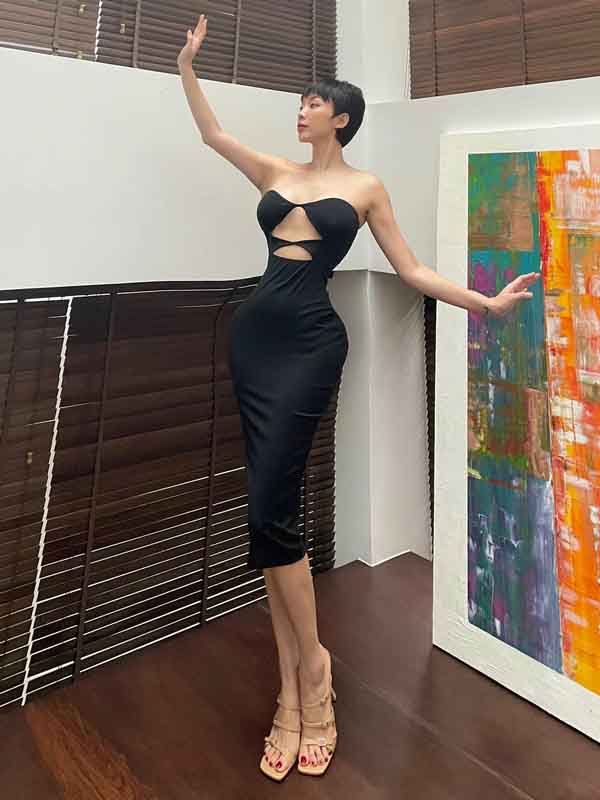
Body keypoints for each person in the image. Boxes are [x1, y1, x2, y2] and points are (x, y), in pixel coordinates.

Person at [177, 13, 540, 782]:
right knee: (268, 515)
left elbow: (410, 269)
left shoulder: (365, 187)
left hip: (312, 344)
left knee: (271, 508)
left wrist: (483, 303)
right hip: (255, 340)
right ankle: (297, 684)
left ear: (340, 117)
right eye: (301, 102)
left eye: (313, 102)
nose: (301, 110)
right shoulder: (273, 170)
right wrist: (185, 67)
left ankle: (312, 675)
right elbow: (210, 133)